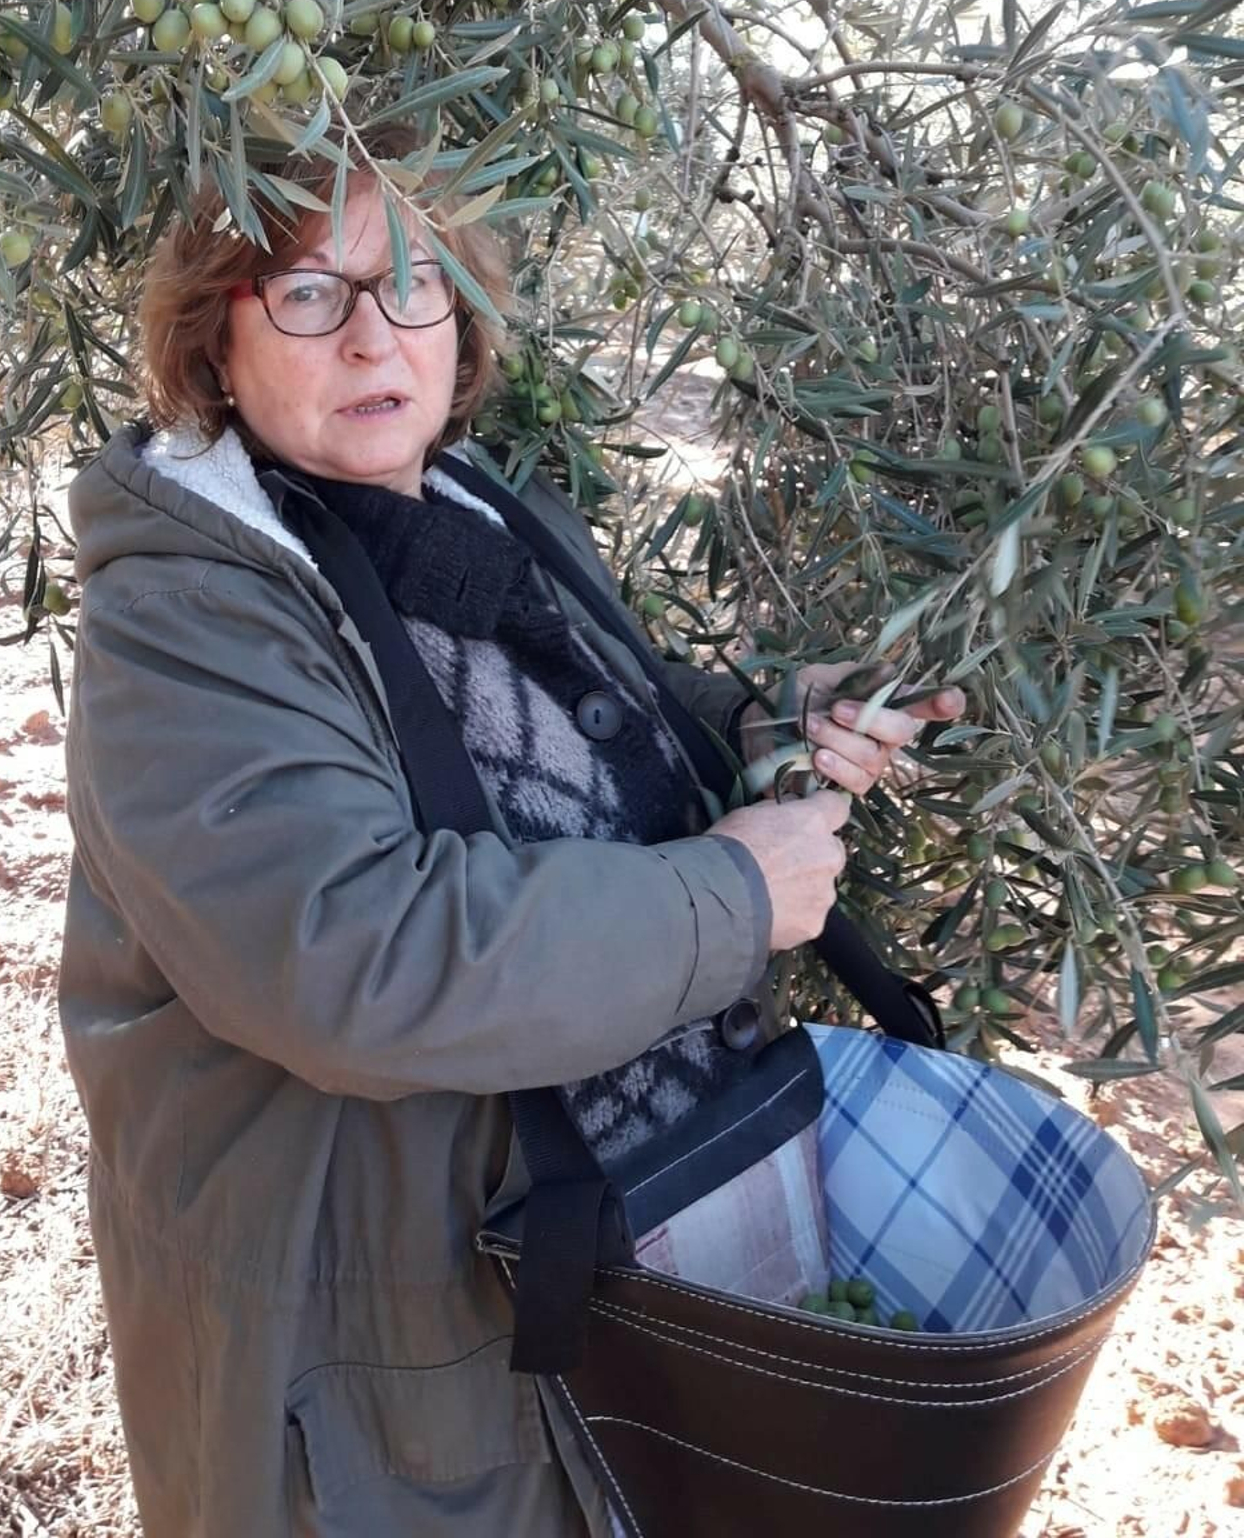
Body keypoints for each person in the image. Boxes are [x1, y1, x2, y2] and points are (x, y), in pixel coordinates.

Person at [57, 124, 964, 1538]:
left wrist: (775, 722)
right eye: (308, 290)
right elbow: (356, 955)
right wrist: (731, 899)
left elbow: (601, 734)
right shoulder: (186, 614)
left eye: (411, 282)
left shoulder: (479, 509)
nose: (372, 337)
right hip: (379, 1382)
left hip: (586, 1297)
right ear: (213, 342)